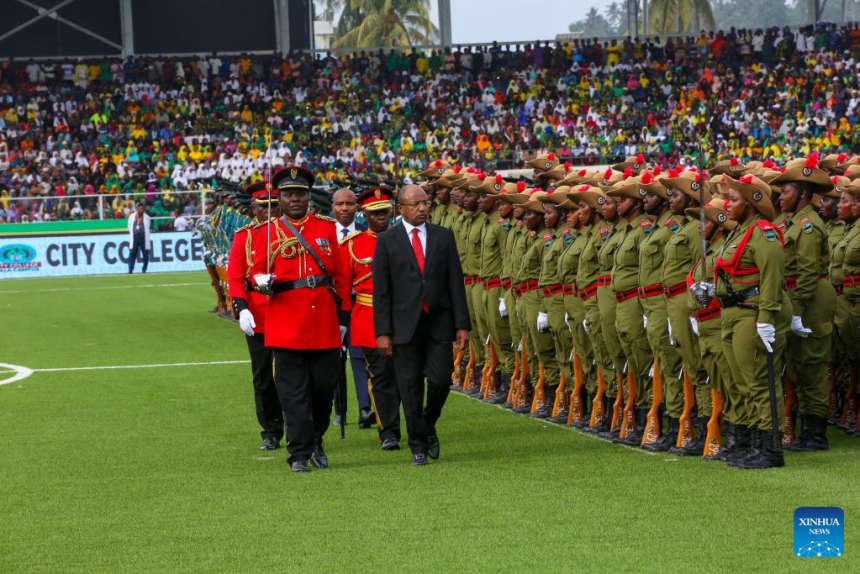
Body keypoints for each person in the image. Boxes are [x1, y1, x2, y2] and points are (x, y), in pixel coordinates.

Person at [248, 166, 351, 473]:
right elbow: (253, 271)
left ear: (309, 197)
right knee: (292, 394)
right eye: (288, 194)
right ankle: (299, 453)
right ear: (278, 198)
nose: (294, 199)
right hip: (285, 322)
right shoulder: (266, 232)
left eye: (300, 194)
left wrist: (343, 318)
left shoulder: (326, 228)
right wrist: (261, 279)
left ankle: (317, 437)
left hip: (323, 324)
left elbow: (342, 275)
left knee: (322, 390)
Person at [372, 184, 471, 466]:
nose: (422, 208)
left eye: (425, 203)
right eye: (415, 204)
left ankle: (427, 423)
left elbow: (455, 282)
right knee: (410, 386)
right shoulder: (387, 241)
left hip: (438, 321)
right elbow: (381, 291)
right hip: (403, 325)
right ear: (399, 209)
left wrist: (462, 325)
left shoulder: (443, 236)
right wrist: (383, 332)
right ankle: (417, 445)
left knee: (441, 380)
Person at [716, 174, 791, 470]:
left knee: (760, 382)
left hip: (753, 312)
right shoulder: (737, 232)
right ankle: (750, 444)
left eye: (733, 199)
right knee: (743, 382)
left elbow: (772, 277)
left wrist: (767, 317)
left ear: (751, 203)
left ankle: (770, 449)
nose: (727, 203)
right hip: (733, 313)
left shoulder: (764, 232)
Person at [340, 187, 402, 450]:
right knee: (381, 377)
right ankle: (388, 430)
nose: (381, 218)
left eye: (385, 212)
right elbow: (343, 289)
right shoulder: (352, 245)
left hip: (402, 316)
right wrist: (341, 324)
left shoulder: (404, 238)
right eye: (375, 213)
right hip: (368, 317)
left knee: (404, 377)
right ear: (364, 214)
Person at [227, 181, 284, 451]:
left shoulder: (293, 232)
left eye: (274, 205)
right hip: (258, 313)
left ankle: (300, 426)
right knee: (263, 376)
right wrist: (242, 308)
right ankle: (271, 430)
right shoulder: (244, 236)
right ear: (254, 208)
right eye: (264, 207)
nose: (270, 211)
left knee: (294, 373)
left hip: (288, 308)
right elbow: (235, 277)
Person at [331, 187, 374, 428]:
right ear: (332, 207)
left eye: (350, 204)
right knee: (335, 359)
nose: (345, 208)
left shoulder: (365, 234)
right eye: (340, 204)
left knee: (360, 356)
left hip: (359, 305)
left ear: (357, 207)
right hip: (332, 306)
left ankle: (365, 408)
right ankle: (340, 410)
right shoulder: (324, 234)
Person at [127, 202, 151, 274]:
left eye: (143, 209)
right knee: (132, 253)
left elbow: (148, 226)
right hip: (134, 237)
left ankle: (144, 269)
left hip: (143, 238)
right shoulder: (131, 216)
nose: (142, 210)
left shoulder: (147, 217)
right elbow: (129, 226)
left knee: (145, 254)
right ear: (137, 209)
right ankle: (130, 270)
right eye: (140, 208)